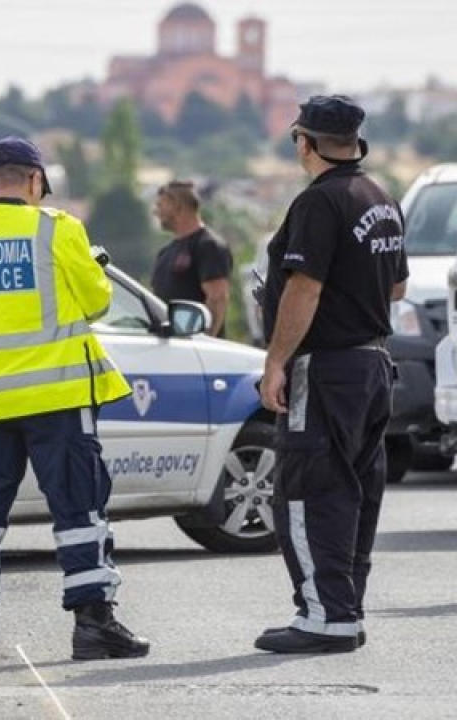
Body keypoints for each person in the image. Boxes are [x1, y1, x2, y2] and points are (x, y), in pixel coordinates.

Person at [0, 137, 149, 662]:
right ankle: (93, 624)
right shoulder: (57, 228)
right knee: (78, 511)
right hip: (57, 398)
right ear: (34, 181)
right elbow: (96, 301)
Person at [255, 96, 408, 654]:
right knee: (357, 490)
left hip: (326, 367)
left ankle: (324, 615)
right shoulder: (380, 197)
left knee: (309, 490)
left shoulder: (319, 203)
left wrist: (276, 360)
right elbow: (397, 288)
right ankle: (345, 607)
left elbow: (305, 286)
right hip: (373, 363)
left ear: (305, 141)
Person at [150, 180, 233, 337]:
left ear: (177, 207)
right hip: (169, 347)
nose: (156, 212)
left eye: (161, 205)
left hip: (196, 351)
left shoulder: (209, 246)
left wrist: (205, 342)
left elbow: (217, 298)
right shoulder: (165, 253)